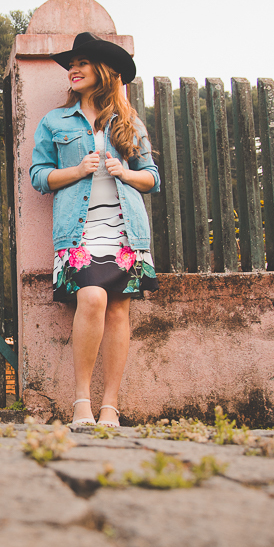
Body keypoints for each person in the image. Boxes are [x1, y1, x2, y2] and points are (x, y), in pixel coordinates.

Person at [29, 32, 160, 427]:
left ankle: (110, 407)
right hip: (79, 233)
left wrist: (125, 173)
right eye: (72, 64)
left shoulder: (128, 122)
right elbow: (38, 176)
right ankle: (81, 403)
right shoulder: (55, 121)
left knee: (119, 311)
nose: (73, 69)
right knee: (91, 297)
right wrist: (76, 170)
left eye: (82, 63)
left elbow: (152, 177)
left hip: (125, 234)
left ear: (104, 71)